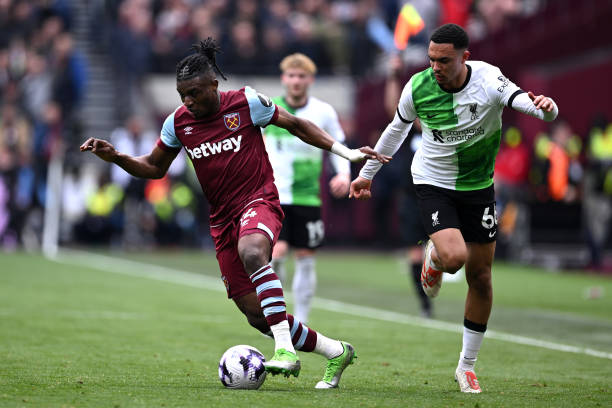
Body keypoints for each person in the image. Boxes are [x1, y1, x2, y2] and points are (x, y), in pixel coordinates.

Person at [80, 38, 389, 388]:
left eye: (195, 92)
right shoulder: (178, 123)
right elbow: (153, 167)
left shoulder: (246, 102)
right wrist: (117, 157)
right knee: (258, 316)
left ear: (214, 84)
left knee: (253, 252)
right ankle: (336, 351)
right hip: (221, 221)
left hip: (259, 200)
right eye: (182, 94)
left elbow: (295, 124)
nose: (188, 101)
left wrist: (345, 153)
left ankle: (286, 351)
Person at [350, 24, 558, 393]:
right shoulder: (417, 87)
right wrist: (367, 175)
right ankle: (435, 258)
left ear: (465, 56)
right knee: (455, 257)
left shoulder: (489, 79)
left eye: (443, 60)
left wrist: (548, 108)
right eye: (431, 59)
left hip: (479, 187)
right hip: (434, 183)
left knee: (481, 277)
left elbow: (531, 106)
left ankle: (466, 366)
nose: (435, 67)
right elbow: (395, 131)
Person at [263, 53, 350, 324]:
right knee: (277, 252)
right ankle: (277, 317)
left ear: (310, 80)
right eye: (291, 75)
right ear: (283, 78)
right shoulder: (269, 109)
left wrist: (344, 174)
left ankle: (300, 320)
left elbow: (338, 146)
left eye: (301, 76)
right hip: (273, 195)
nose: (296, 81)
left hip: (307, 196)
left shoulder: (322, 112)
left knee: (306, 256)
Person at [383, 54, 431, 317]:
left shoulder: (443, 131)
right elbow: (393, 108)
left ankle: (434, 265)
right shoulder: (410, 129)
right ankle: (424, 302)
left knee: (447, 253)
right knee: (414, 252)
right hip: (412, 198)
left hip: (440, 196)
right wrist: (392, 76)